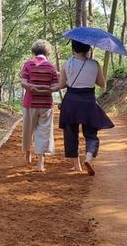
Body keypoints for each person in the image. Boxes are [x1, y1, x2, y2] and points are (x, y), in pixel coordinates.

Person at [57, 39, 114, 175]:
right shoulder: (94, 64)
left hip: (71, 101)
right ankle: (88, 157)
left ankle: (77, 166)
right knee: (91, 133)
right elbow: (101, 83)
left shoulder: (67, 64)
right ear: (88, 49)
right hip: (88, 101)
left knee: (71, 133)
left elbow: (61, 85)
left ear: (73, 49)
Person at [19, 40, 59, 173]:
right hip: (46, 105)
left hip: (30, 103)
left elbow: (23, 82)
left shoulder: (28, 64)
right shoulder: (50, 67)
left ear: (34, 51)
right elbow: (55, 86)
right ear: (47, 52)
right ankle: (40, 163)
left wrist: (33, 87)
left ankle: (28, 153)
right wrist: (45, 89)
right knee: (44, 132)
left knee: (28, 130)